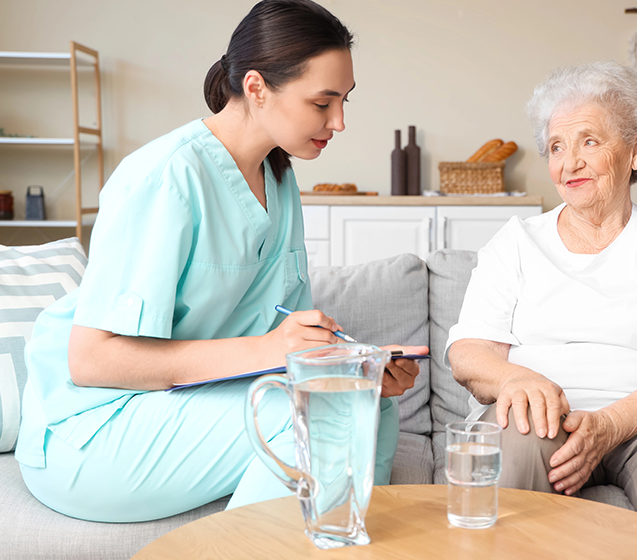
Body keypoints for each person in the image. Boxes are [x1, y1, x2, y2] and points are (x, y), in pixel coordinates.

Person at [16, 0, 426, 522]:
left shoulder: (279, 179)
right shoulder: (165, 177)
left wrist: (352, 363)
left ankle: (341, 542)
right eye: (323, 103)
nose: (339, 121)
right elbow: (92, 360)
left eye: (344, 101)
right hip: (93, 428)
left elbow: (284, 338)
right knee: (324, 408)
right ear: (256, 88)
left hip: (185, 406)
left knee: (373, 404)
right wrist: (268, 350)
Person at [446, 61, 637, 559]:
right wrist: (516, 380)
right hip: (539, 416)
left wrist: (609, 426)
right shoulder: (516, 242)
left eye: (589, 141)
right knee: (510, 449)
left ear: (636, 149)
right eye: (557, 148)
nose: (569, 163)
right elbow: (469, 353)